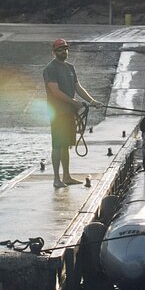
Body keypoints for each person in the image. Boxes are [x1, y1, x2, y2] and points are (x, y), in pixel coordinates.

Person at [43, 38, 102, 188]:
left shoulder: (70, 67)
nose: (64, 51)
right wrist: (75, 103)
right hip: (58, 113)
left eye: (65, 48)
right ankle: (56, 179)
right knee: (57, 145)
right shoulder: (50, 69)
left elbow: (78, 87)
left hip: (69, 112)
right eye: (60, 49)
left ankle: (67, 176)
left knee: (66, 145)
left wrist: (92, 101)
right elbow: (55, 92)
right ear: (54, 52)